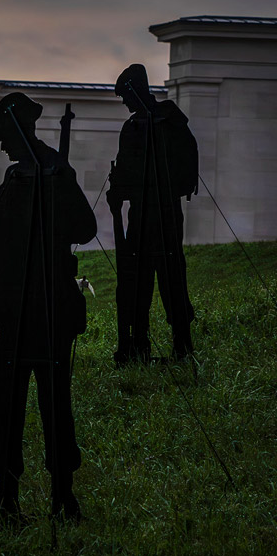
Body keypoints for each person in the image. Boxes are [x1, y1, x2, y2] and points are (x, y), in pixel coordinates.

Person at [0, 92, 96, 524]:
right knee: (7, 408)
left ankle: (64, 496)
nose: (3, 147)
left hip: (50, 311)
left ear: (19, 131)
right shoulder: (15, 178)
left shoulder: (56, 172)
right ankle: (6, 496)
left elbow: (86, 227)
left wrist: (56, 209)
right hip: (13, 313)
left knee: (54, 405)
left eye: (6, 137)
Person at [108, 63, 198, 364]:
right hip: (139, 215)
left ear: (137, 90)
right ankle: (138, 342)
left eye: (126, 96)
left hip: (166, 213)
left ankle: (182, 344)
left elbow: (186, 165)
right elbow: (124, 168)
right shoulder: (131, 128)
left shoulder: (170, 122)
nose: (125, 103)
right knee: (138, 280)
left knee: (172, 276)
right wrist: (118, 191)